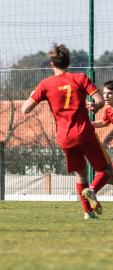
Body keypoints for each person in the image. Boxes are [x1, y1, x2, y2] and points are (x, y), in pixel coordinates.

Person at [22, 44, 112, 220]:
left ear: (52, 64)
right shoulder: (80, 78)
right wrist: (96, 106)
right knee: (107, 169)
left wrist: (33, 94)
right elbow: (100, 101)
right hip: (84, 132)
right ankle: (92, 191)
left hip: (64, 138)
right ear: (69, 62)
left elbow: (25, 110)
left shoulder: (44, 85)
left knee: (81, 173)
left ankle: (88, 213)